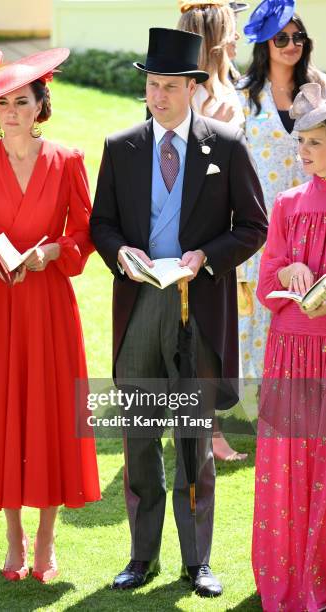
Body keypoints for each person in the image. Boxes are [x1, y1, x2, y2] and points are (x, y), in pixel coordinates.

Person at [90, 27, 267, 597]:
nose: (159, 96)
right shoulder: (121, 148)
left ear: (193, 87)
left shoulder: (227, 144)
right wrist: (120, 252)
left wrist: (205, 258)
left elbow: (253, 226)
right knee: (140, 439)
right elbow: (102, 224)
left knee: (193, 438)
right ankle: (141, 560)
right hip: (140, 305)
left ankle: (198, 563)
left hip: (200, 306)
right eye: (152, 85)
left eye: (170, 86)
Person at [0, 48, 100, 582]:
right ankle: (13, 539)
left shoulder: (68, 160)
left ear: (41, 106)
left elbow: (83, 234)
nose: (10, 111)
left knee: (50, 415)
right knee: (5, 414)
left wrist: (54, 252)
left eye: (21, 101)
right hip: (2, 305)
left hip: (50, 308)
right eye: (2, 102)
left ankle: (46, 538)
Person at [254, 82, 326, 612]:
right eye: (301, 143)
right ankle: (288, 582)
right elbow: (266, 284)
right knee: (290, 465)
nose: (302, 153)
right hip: (291, 353)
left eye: (315, 144)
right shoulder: (286, 203)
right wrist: (290, 269)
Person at [236, 0, 325, 379]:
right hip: (258, 224)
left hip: (313, 223)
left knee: (308, 308)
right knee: (254, 315)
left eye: (298, 37)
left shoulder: (319, 87)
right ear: (264, 45)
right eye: (281, 38)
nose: (291, 45)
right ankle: (256, 403)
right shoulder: (244, 95)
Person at [178, 0, 248, 462]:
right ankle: (204, 431)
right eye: (233, 28)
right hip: (193, 231)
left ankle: (207, 426)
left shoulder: (230, 87)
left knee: (214, 333)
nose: (240, 37)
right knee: (193, 333)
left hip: (227, 229)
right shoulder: (193, 94)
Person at [177, 0, 245, 129]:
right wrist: (216, 124)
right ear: (214, 39)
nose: (237, 36)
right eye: (231, 29)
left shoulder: (222, 82)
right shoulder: (185, 93)